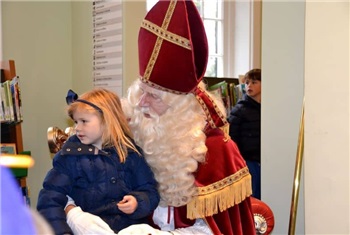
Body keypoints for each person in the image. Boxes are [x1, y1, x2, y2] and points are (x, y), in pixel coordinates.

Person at [65, 1, 256, 234]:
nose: (141, 102)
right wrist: (73, 213)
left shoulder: (216, 150)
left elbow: (217, 230)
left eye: (153, 96)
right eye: (141, 91)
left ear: (179, 109)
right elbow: (68, 178)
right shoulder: (131, 129)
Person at [36, 88, 160, 234]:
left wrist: (137, 202)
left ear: (107, 120)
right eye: (76, 122)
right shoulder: (70, 156)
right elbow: (50, 199)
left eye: (84, 121)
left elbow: (150, 190)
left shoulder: (131, 153)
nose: (77, 128)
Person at [228, 68, 261, 199]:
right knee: (251, 196)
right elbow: (232, 138)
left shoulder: (268, 108)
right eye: (247, 83)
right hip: (247, 161)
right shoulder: (240, 109)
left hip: (262, 160)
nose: (249, 86)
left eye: (254, 82)